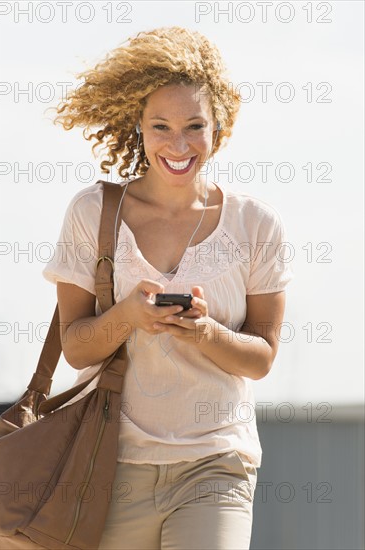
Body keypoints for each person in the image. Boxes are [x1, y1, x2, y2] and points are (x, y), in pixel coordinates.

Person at [43, 26, 294, 550]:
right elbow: (75, 347)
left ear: (218, 127)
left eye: (194, 126)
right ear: (138, 125)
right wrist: (128, 317)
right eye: (160, 126)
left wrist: (205, 333)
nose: (178, 146)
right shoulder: (94, 214)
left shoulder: (256, 224)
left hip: (216, 463)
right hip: (111, 467)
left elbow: (262, 357)